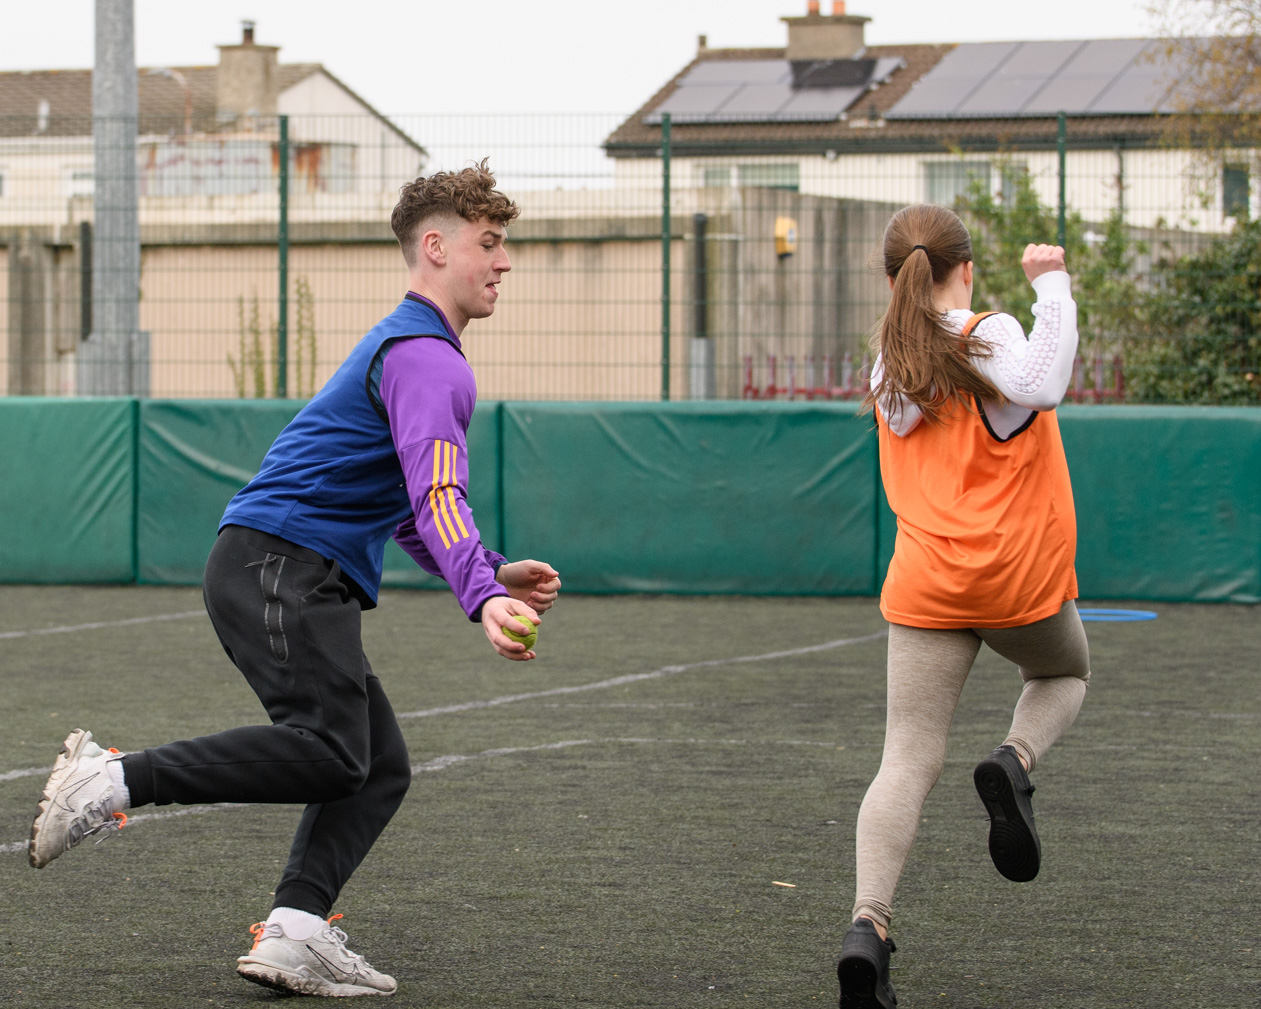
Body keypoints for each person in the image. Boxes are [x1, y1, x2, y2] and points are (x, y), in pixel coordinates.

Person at [29, 159, 562, 998]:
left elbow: (407, 509)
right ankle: (114, 778)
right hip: (279, 564)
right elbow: (436, 493)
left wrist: (487, 569)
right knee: (330, 750)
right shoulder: (429, 358)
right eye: (488, 244)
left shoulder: (411, 346)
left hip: (275, 564)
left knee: (376, 762)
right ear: (435, 246)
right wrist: (482, 593)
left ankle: (295, 931)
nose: (503, 262)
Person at [837, 204, 1091, 1009]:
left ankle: (866, 928)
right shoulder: (991, 333)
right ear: (967, 269)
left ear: (891, 277)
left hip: (925, 582)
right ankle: (1013, 761)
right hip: (1014, 578)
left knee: (905, 757)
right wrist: (1052, 286)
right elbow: (1043, 384)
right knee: (1065, 674)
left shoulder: (888, 361)